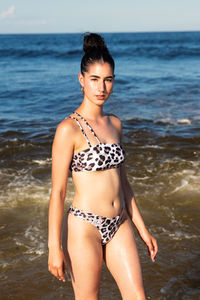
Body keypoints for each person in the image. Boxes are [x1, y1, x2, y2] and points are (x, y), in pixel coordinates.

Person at [48, 33, 158, 300]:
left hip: (119, 223)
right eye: (95, 79)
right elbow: (59, 192)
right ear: (81, 80)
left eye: (108, 80)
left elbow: (124, 183)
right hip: (85, 226)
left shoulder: (115, 124)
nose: (101, 88)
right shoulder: (68, 129)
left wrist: (143, 230)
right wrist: (54, 247)